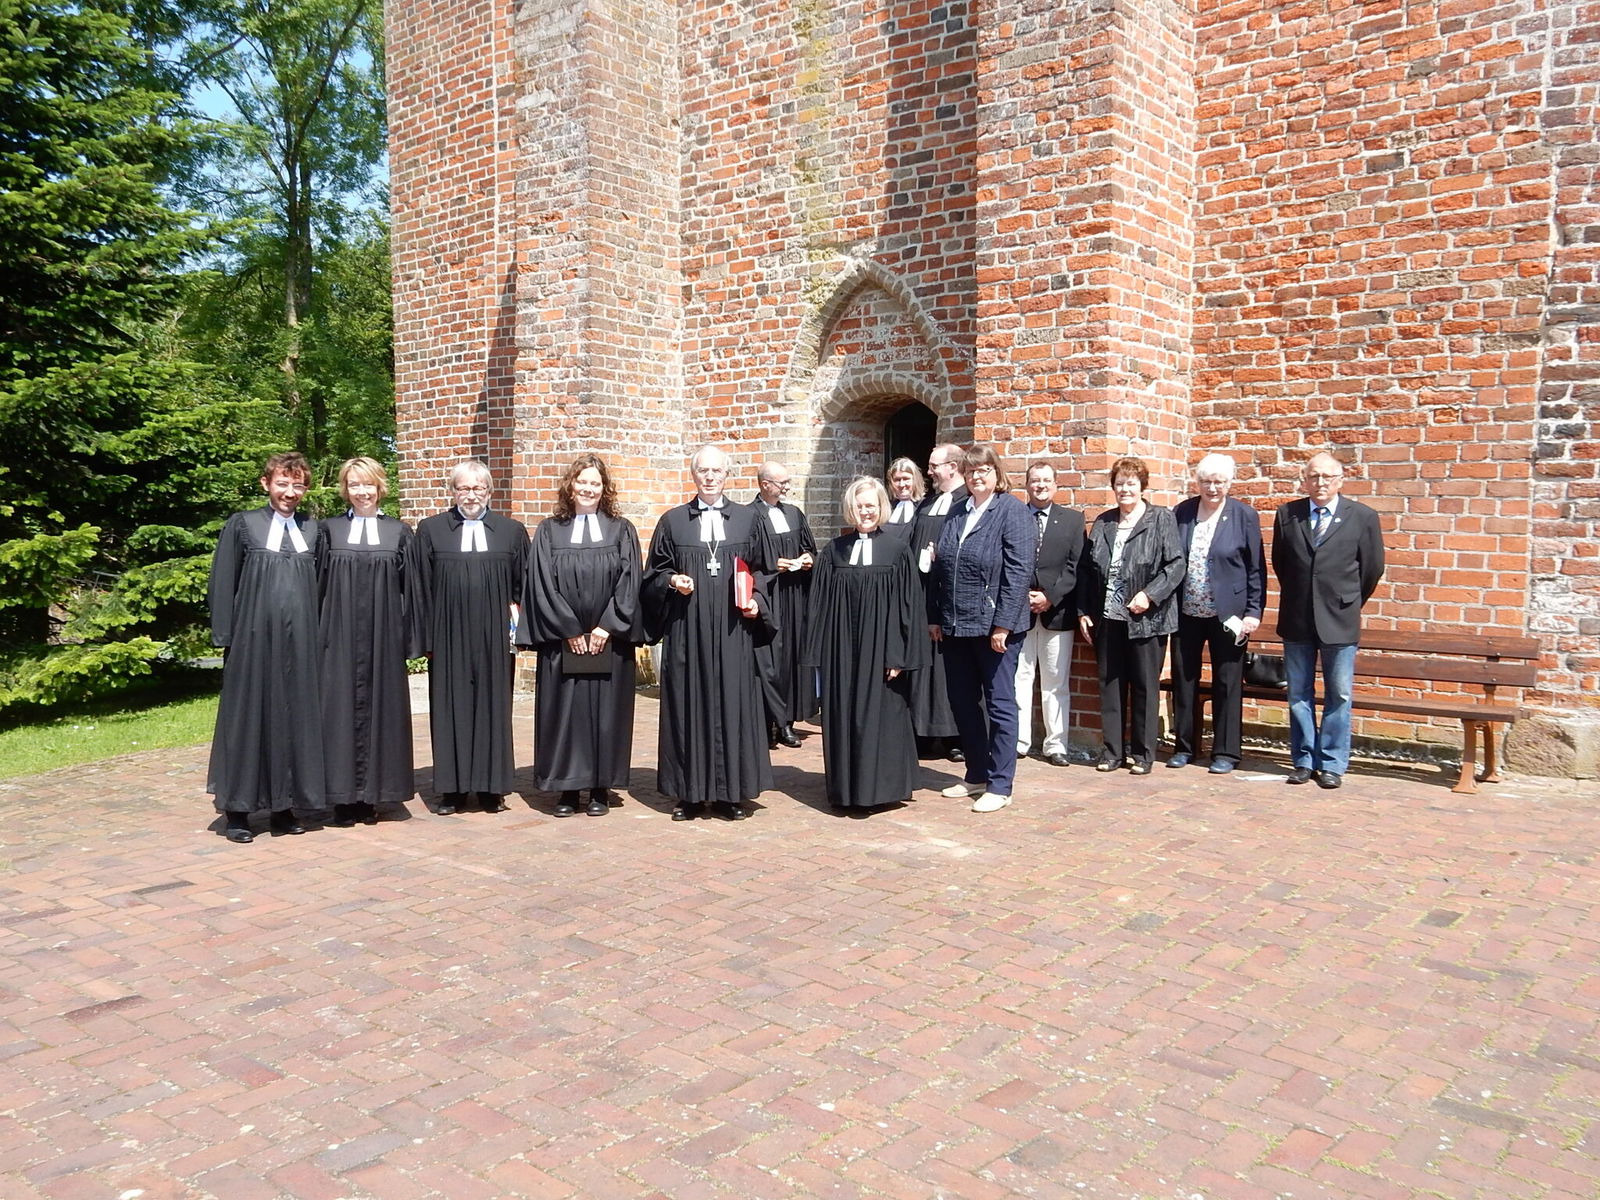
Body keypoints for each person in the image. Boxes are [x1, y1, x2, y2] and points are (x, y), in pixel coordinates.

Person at [642, 445, 774, 821]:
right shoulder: (673, 522)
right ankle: (690, 794)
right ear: (693, 474)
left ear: (727, 475)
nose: (710, 477)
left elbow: (764, 571)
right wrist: (672, 580)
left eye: (717, 470)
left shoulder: (748, 520)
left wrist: (757, 602)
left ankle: (731, 793)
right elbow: (653, 573)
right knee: (689, 706)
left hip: (734, 631)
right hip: (688, 630)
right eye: (703, 470)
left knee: (734, 705)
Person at [206, 451, 323, 842]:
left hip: (301, 645)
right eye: (282, 484)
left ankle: (283, 808)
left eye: (298, 485)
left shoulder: (313, 530)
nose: (290, 492)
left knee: (293, 721)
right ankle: (238, 811)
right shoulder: (243, 525)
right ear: (266, 484)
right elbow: (223, 581)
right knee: (247, 720)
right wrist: (226, 636)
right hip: (252, 642)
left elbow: (322, 587)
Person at [524, 454, 642, 817]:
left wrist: (607, 626)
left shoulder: (621, 530)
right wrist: (570, 629)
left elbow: (630, 581)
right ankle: (567, 788)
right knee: (565, 713)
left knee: (606, 714)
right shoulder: (549, 531)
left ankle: (600, 787)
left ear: (604, 489)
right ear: (570, 485)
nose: (589, 489)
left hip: (609, 639)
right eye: (583, 481)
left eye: (596, 483)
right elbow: (541, 583)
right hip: (564, 641)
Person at [803, 477, 929, 814]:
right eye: (859, 506)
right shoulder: (834, 551)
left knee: (881, 719)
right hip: (841, 654)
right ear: (850, 509)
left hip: (882, 654)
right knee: (843, 717)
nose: (865, 512)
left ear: (881, 507)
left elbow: (907, 608)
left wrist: (898, 655)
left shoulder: (897, 552)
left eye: (871, 505)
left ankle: (880, 791)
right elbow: (818, 606)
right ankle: (846, 791)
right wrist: (818, 654)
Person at [413, 460, 530, 814]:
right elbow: (420, 588)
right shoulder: (431, 530)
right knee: (451, 708)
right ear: (452, 491)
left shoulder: (511, 532)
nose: (471, 495)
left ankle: (492, 788)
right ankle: (453, 789)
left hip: (494, 635)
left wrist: (520, 633)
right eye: (463, 488)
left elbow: (524, 587)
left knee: (494, 707)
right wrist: (426, 641)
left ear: (489, 492)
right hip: (447, 636)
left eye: (478, 488)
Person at [928, 444, 1036, 813]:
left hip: (995, 628)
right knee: (963, 702)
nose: (977, 476)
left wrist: (1003, 624)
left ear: (996, 472)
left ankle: (1001, 783)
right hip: (957, 624)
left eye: (984, 470)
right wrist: (935, 616)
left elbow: (1018, 573)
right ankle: (976, 773)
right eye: (971, 470)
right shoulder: (958, 510)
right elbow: (941, 565)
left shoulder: (1013, 511)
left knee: (1000, 704)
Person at [317, 456, 422, 827]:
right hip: (338, 638)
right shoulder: (328, 531)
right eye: (354, 485)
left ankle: (376, 794)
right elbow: (317, 586)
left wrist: (411, 640)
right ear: (345, 489)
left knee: (383, 712)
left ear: (380, 487)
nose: (362, 492)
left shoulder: (399, 533)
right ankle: (342, 798)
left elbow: (412, 591)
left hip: (384, 638)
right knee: (338, 713)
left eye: (368, 484)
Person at [1271, 452, 1386, 789]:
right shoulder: (1287, 514)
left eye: (1327, 476)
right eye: (1314, 476)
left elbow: (1372, 568)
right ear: (1305, 480)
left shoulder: (1362, 517)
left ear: (1340, 480)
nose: (1320, 483)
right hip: (1297, 617)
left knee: (1339, 694)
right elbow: (1281, 563)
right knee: (1298, 693)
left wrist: (1346, 601)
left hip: (1339, 618)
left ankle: (1333, 763)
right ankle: (1304, 760)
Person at [1077, 457, 1184, 775]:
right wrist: (1084, 611)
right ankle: (1112, 752)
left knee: (1144, 687)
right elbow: (1086, 571)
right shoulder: (1104, 522)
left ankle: (1143, 753)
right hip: (1108, 618)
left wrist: (1149, 595)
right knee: (1110, 685)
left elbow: (1176, 564)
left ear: (1142, 486)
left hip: (1147, 620)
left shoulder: (1161, 518)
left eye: (1131, 483)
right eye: (1119, 483)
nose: (1125, 489)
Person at [1168, 453, 1266, 775]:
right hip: (1186, 612)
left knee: (1227, 681)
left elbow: (1256, 569)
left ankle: (1226, 751)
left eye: (1219, 482)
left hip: (1229, 614)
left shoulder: (1244, 515)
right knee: (1185, 679)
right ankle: (1185, 747)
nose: (1212, 488)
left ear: (1229, 483)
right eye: (1206, 482)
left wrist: (1253, 611)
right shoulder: (1182, 512)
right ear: (1197, 483)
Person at [1013, 461, 1084, 768]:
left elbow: (1075, 566)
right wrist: (1022, 596)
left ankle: (1056, 744)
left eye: (1046, 480)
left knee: (1056, 681)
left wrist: (1050, 598)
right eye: (1035, 480)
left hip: (1057, 613)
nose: (1040, 485)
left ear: (1056, 485)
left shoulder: (1072, 520)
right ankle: (1018, 742)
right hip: (1019, 611)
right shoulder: (1014, 516)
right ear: (1027, 485)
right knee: (1020, 677)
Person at [749, 460, 818, 748]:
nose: (787, 487)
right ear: (765, 484)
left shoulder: (793, 513)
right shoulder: (749, 516)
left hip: (794, 595)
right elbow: (745, 558)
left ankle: (786, 721)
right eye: (782, 483)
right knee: (771, 659)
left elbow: (809, 548)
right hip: (768, 596)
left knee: (791, 656)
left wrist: (807, 559)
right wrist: (772, 564)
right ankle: (766, 721)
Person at [905, 442, 967, 761]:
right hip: (921, 595)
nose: (929, 472)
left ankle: (955, 736)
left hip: (949, 596)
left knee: (949, 670)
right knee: (924, 667)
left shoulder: (966, 502)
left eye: (934, 466)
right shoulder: (927, 503)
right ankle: (924, 733)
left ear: (952, 467)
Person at [885, 456, 924, 526]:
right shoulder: (886, 508)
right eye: (897, 480)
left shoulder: (924, 507)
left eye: (906, 479)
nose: (901, 484)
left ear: (916, 480)